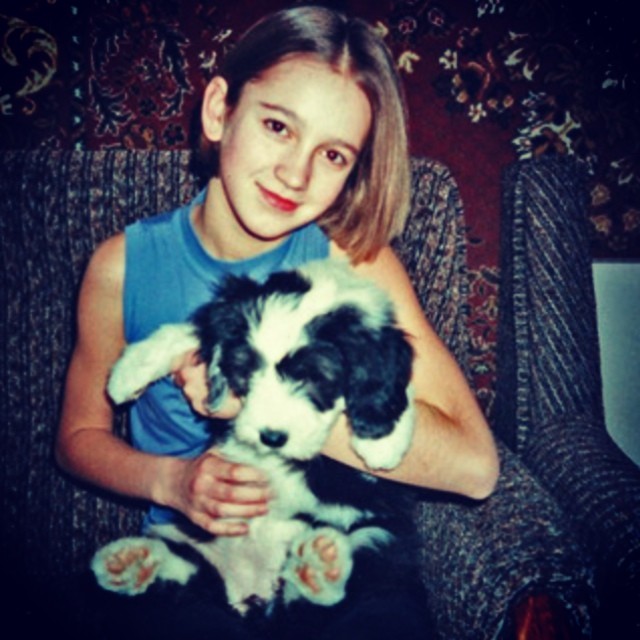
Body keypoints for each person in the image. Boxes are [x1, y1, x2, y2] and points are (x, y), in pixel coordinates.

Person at [55, 4, 499, 638]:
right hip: (194, 555)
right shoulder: (122, 267)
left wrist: (265, 407)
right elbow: (77, 438)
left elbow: (474, 467)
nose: (297, 173)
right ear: (219, 110)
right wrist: (172, 481)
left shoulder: (355, 265)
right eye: (277, 126)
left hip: (330, 549)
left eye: (334, 155)